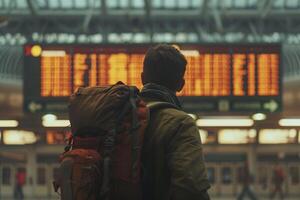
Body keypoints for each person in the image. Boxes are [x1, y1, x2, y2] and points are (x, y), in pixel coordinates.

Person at [140, 44, 210, 200]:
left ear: (142, 78)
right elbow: (190, 188)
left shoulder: (117, 117)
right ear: (181, 84)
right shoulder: (181, 124)